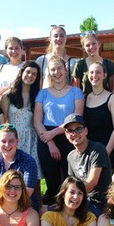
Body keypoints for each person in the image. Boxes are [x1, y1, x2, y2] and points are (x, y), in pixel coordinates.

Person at [33, 56, 85, 205]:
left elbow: (77, 117)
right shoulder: (42, 93)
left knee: (70, 178)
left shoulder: (75, 91)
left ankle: (70, 207)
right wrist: (49, 141)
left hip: (70, 135)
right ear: (49, 72)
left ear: (65, 70)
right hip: (45, 137)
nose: (57, 72)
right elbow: (37, 121)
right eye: (53, 69)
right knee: (52, 180)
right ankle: (51, 211)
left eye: (59, 68)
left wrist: (54, 133)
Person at [63, 114, 112, 216]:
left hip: (99, 202)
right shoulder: (70, 156)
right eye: (70, 131)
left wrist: (73, 198)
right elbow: (71, 183)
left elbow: (92, 182)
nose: (74, 133)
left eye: (78, 129)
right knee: (47, 212)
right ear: (66, 135)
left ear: (86, 131)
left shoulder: (97, 149)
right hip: (80, 200)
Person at [0, 61, 42, 176]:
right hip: (14, 139)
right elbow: (2, 123)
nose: (30, 76)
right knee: (13, 174)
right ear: (21, 72)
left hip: (32, 139)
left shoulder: (38, 96)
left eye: (34, 74)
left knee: (32, 175)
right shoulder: (8, 96)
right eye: (28, 72)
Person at [83, 61, 114, 168]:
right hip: (88, 151)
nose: (94, 76)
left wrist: (106, 152)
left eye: (98, 72)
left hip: (106, 151)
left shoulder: (112, 99)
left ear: (104, 75)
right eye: (91, 72)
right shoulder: (84, 98)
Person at [0, 37, 25, 101]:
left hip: (17, 105)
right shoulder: (2, 67)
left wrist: (9, 88)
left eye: (16, 48)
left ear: (22, 50)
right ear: (6, 51)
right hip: (1, 104)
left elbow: (27, 87)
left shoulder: (25, 67)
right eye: (10, 48)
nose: (14, 51)